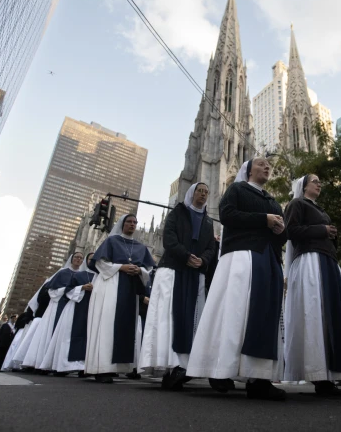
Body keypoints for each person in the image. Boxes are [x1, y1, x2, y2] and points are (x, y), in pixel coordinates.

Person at [187, 158, 288, 401]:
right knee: (234, 311)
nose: (267, 167)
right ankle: (221, 369)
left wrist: (280, 230)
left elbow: (283, 233)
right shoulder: (237, 189)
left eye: (268, 166)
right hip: (242, 257)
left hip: (268, 260)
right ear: (248, 170)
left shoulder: (273, 201)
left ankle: (259, 378)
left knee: (264, 317)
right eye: (261, 164)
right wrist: (264, 220)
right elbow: (228, 214)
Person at [283, 174, 341, 397]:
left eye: (320, 181)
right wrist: (322, 230)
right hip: (310, 261)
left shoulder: (322, 211)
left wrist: (331, 234)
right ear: (304, 185)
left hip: (327, 261)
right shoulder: (296, 204)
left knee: (333, 313)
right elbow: (291, 232)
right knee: (314, 312)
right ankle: (317, 373)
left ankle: (331, 372)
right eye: (315, 181)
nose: (319, 184)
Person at [140, 182, 215, 390]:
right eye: (200, 191)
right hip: (173, 270)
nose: (203, 195)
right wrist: (186, 255)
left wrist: (203, 261)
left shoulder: (209, 222)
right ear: (192, 193)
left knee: (192, 318)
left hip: (195, 275)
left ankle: (184, 365)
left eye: (207, 192)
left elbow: (210, 247)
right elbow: (169, 238)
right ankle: (168, 365)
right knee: (169, 317)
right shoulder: (177, 213)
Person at [84, 214, 155, 383]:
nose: (132, 224)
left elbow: (149, 268)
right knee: (107, 324)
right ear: (122, 224)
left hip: (130, 288)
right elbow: (100, 263)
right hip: (111, 284)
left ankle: (115, 367)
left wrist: (140, 271)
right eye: (129, 222)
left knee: (124, 325)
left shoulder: (140, 247)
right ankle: (102, 368)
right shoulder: (112, 241)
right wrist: (121, 267)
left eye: (134, 222)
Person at [23, 252, 83, 370]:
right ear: (71, 259)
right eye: (76, 257)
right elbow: (52, 292)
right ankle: (45, 363)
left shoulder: (82, 275)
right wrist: (67, 290)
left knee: (66, 335)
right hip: (57, 305)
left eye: (81, 258)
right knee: (51, 332)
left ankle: (61, 364)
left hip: (72, 307)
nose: (78, 259)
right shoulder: (62, 272)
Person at [40, 253, 96, 375]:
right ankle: (64, 366)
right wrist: (81, 288)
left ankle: (84, 366)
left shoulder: (101, 277)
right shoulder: (79, 275)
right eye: (90, 259)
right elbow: (67, 291)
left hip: (93, 310)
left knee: (90, 337)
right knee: (68, 336)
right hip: (76, 308)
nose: (92, 262)